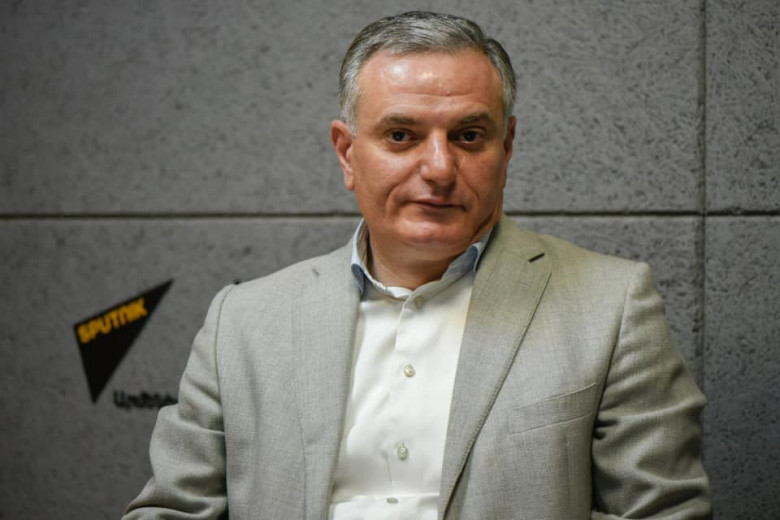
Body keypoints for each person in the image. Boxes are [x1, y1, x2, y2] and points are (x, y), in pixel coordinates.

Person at [124, 11, 711, 519]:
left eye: (469, 136)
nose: (439, 168)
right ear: (347, 153)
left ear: (506, 148)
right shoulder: (243, 323)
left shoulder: (611, 307)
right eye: (402, 135)